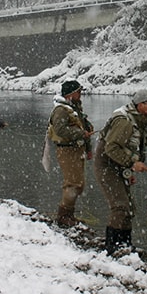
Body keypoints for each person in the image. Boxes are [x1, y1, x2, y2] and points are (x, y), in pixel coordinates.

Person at [94, 88, 147, 255]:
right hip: (107, 166)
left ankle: (125, 245)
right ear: (141, 105)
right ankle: (113, 246)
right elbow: (111, 148)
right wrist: (132, 164)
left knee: (129, 207)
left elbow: (125, 148)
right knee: (120, 206)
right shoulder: (125, 122)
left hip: (119, 166)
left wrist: (128, 169)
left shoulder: (138, 120)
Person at [47, 79, 94, 227]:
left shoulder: (75, 108)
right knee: (73, 183)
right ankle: (63, 216)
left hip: (77, 149)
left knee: (78, 184)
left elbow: (83, 127)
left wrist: (88, 149)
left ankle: (69, 215)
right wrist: (80, 133)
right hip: (67, 150)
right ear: (70, 94)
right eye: (78, 91)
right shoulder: (60, 110)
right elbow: (60, 130)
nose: (81, 94)